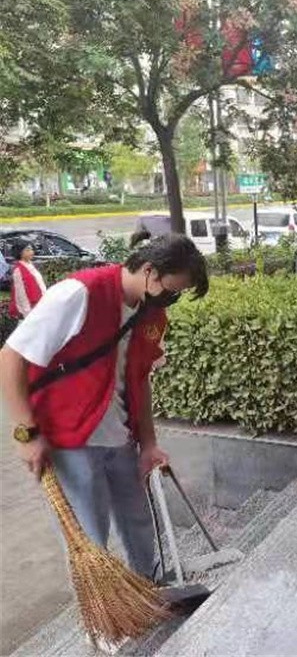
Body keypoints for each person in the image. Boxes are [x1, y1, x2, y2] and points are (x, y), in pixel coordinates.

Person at [0, 235, 208, 616]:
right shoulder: (78, 294)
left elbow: (140, 378)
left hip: (120, 436)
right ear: (150, 272)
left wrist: (148, 444)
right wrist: (26, 432)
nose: (170, 300)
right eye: (171, 291)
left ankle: (147, 593)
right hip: (70, 440)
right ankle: (102, 619)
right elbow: (9, 358)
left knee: (138, 521)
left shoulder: (150, 313)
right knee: (89, 536)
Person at [9, 239, 46, 318]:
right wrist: (27, 312)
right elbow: (20, 293)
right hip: (30, 309)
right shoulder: (18, 270)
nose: (31, 252)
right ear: (20, 253)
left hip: (39, 303)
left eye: (31, 249)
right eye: (27, 250)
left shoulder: (30, 265)